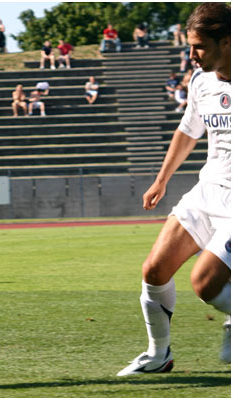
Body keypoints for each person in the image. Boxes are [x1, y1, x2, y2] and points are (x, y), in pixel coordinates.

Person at [117, 2, 231, 376]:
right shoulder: (201, 82)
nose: (191, 55)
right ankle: (158, 355)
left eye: (199, 46)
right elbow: (187, 131)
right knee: (155, 269)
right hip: (207, 190)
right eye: (189, 46)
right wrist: (161, 179)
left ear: (226, 42)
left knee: (205, 283)